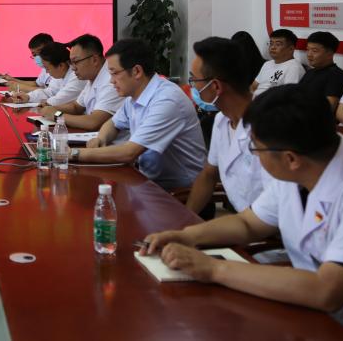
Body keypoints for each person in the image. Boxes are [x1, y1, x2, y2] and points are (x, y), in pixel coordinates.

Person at [141, 85, 343, 341]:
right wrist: (187, 235)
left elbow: (326, 291)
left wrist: (212, 268)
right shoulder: (303, 165)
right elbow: (249, 224)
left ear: (290, 158)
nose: (255, 155)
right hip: (307, 316)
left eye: (255, 148)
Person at [77, 38, 206, 190]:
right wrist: (101, 139)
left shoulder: (167, 100)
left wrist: (74, 154)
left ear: (137, 71)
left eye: (115, 73)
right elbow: (112, 124)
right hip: (147, 181)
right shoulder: (134, 95)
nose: (111, 81)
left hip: (180, 192)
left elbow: (129, 152)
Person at [184, 38, 267, 219]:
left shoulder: (267, 126)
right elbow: (209, 174)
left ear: (215, 86)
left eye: (194, 79)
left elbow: (272, 210)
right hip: (243, 220)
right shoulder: (222, 120)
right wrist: (186, 218)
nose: (193, 86)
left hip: (267, 227)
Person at [37, 35, 123, 132]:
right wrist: (50, 109)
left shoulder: (111, 80)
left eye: (76, 62)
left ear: (94, 60)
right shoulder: (92, 76)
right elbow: (76, 107)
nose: (73, 68)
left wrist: (56, 115)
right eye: (71, 63)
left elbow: (93, 122)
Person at [299, 31, 343, 112]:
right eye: (308, 50)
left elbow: (328, 108)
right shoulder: (310, 72)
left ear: (329, 53)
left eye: (314, 51)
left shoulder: (335, 75)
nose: (309, 54)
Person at [251, 29, 305, 97]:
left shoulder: (294, 67)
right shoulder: (267, 64)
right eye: (271, 44)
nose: (273, 47)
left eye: (278, 44)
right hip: (256, 100)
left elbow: (288, 95)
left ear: (291, 49)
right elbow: (254, 86)